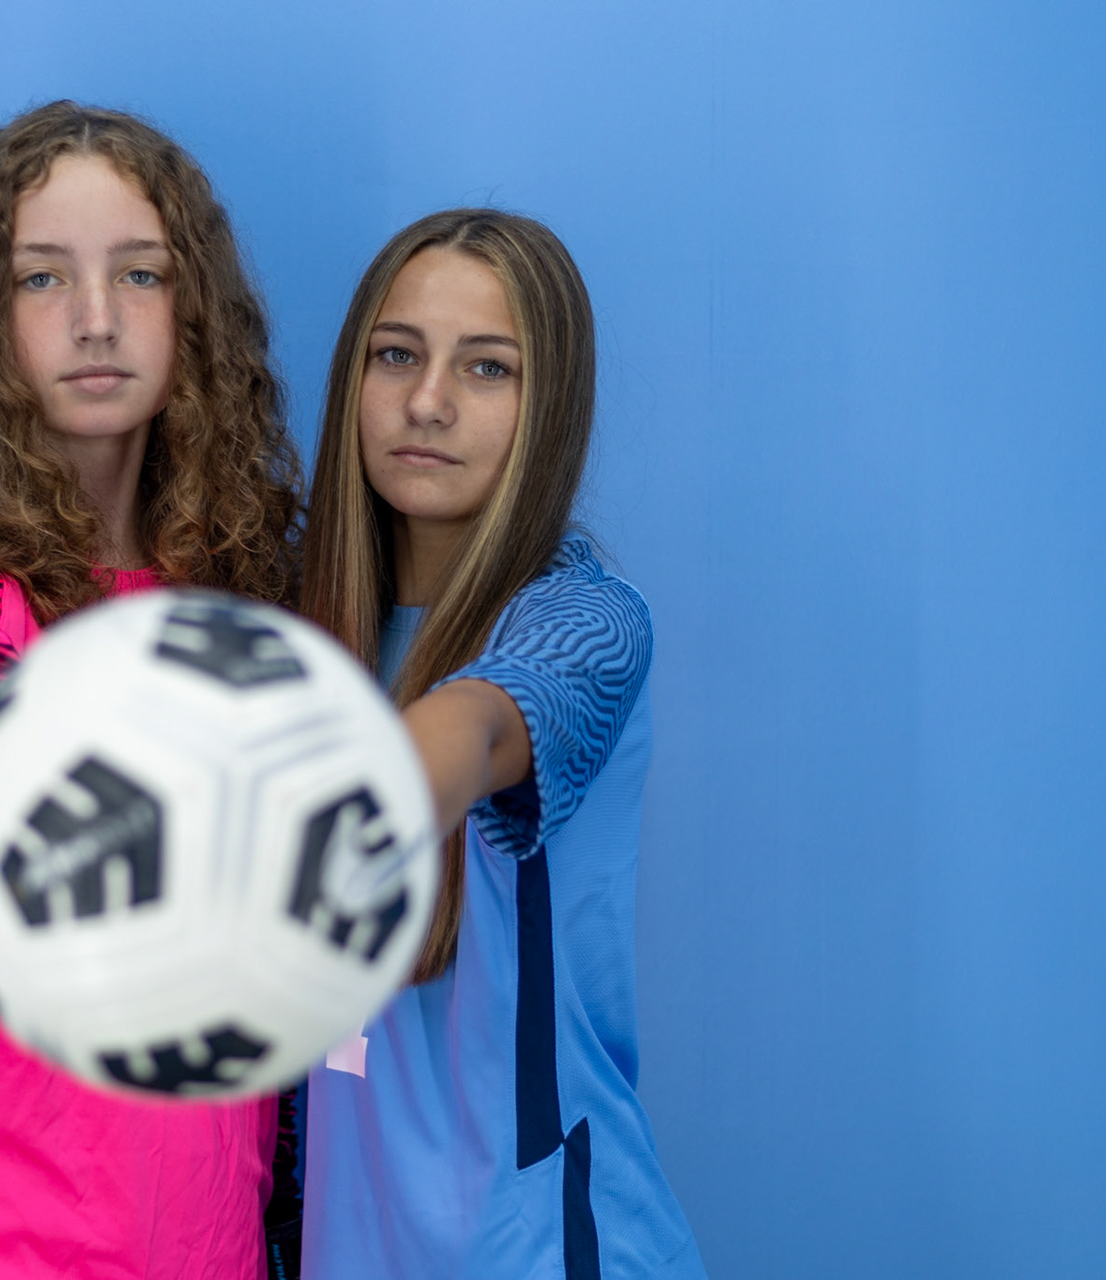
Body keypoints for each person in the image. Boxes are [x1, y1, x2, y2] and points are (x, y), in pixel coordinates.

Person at [0, 101, 302, 1280]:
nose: (96, 318)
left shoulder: (254, 598)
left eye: (140, 274)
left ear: (193, 311)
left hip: (200, 1238)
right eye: (42, 278)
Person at [296, 209, 708, 1278]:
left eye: (488, 368)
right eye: (397, 354)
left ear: (547, 407)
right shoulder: (300, 633)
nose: (428, 401)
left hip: (546, 1247)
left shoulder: (587, 622)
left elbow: (477, 725)